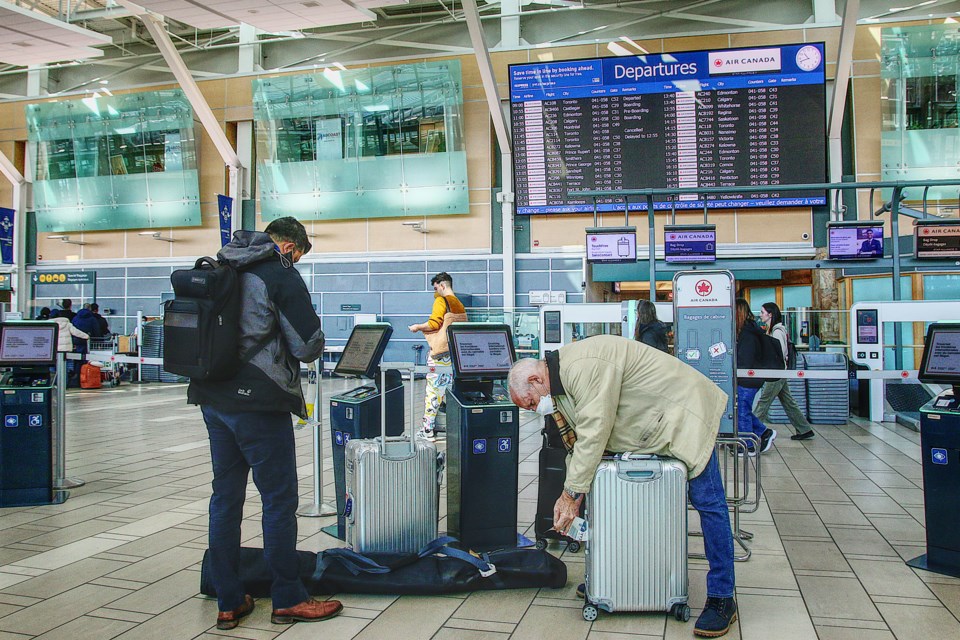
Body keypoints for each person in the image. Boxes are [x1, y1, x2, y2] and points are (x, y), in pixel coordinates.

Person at [507, 335, 737, 637]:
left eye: (532, 402)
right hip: (657, 421)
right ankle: (612, 578)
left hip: (686, 412)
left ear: (536, 380)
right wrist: (572, 494)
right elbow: (577, 446)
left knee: (709, 504)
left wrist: (570, 494)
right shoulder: (559, 382)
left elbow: (594, 431)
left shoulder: (582, 367)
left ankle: (722, 598)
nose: (536, 408)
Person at [188, 217, 342, 630]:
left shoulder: (221, 267)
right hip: (259, 402)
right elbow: (307, 346)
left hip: (212, 397)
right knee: (277, 500)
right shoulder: (278, 273)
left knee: (226, 498)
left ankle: (228, 598)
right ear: (291, 246)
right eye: (300, 255)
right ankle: (289, 597)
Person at [407, 271, 466, 441]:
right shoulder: (459, 305)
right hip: (454, 357)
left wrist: (417, 327)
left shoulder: (441, 301)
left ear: (442, 285)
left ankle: (427, 430)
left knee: (433, 391)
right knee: (450, 391)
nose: (436, 292)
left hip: (440, 355)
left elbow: (434, 323)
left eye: (436, 288)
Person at [755, 302, 815, 441]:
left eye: (763, 312)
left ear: (770, 314)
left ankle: (751, 430)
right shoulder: (775, 330)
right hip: (779, 372)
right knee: (788, 401)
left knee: (763, 402)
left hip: (776, 373)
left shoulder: (777, 332)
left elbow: (778, 352)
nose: (760, 315)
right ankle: (804, 429)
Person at [735, 298, 776, 455]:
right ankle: (764, 432)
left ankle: (747, 446)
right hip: (751, 377)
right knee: (742, 409)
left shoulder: (747, 334)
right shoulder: (750, 330)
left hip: (748, 378)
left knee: (742, 410)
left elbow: (745, 359)